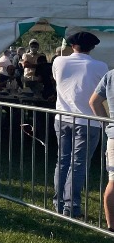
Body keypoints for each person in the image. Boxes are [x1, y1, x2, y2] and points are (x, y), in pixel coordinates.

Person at [52, 31, 108, 218]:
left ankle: (59, 202)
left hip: (62, 117)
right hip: (88, 120)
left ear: (72, 45)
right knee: (78, 164)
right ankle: (71, 206)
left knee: (62, 161)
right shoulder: (100, 66)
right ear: (92, 47)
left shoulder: (59, 62)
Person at [90, 67, 114, 232]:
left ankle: (111, 226)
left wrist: (107, 125)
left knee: (113, 181)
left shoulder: (110, 75)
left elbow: (94, 102)